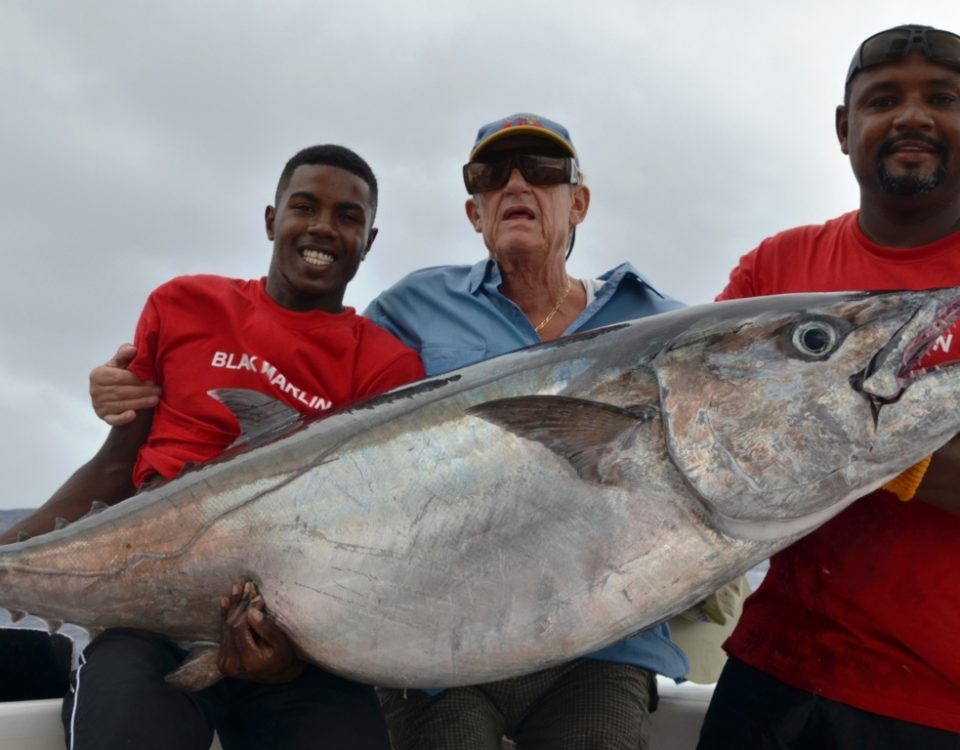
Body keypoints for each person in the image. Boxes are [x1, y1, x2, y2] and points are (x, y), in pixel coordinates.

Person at [87, 113, 691, 749]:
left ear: (579, 202)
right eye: (491, 175)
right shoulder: (413, 308)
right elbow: (327, 404)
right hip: (440, 646)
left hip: (603, 644)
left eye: (542, 172)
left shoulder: (661, 326)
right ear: (473, 211)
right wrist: (129, 391)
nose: (516, 186)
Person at [4, 144, 424, 750]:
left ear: (370, 239)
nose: (323, 228)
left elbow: (377, 538)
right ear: (270, 219)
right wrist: (8, 557)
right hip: (148, 623)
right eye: (304, 206)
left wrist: (287, 656)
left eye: (348, 217)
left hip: (298, 650)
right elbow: (115, 467)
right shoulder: (183, 305)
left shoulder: (388, 367)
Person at [697, 24, 960, 749]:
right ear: (846, 130)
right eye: (883, 99)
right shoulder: (775, 269)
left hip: (938, 705)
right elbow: (711, 423)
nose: (911, 116)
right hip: (770, 674)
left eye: (942, 97)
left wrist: (858, 442)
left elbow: (763, 430)